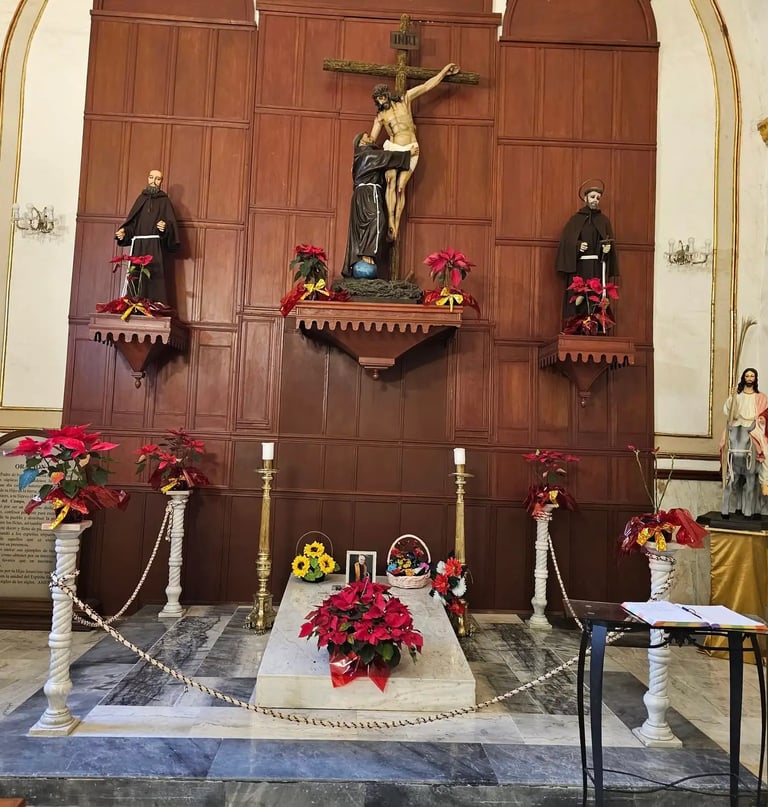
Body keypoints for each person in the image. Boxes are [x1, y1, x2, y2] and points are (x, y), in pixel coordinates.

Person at [368, 63, 460, 241]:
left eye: (382, 97)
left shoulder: (405, 100)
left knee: (401, 187)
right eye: (377, 99)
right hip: (393, 148)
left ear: (387, 94)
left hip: (411, 148)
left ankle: (396, 219)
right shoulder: (380, 117)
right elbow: (371, 139)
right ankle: (391, 226)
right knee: (390, 180)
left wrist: (443, 72)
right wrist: (361, 151)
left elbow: (427, 86)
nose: (381, 101)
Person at [341, 133, 416, 279]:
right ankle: (367, 256)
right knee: (377, 221)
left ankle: (365, 257)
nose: (371, 137)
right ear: (361, 142)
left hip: (362, 195)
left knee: (366, 225)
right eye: (367, 136)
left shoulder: (361, 156)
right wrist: (407, 154)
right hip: (369, 193)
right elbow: (385, 158)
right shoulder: (365, 154)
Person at [555, 180, 618, 320]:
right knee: (579, 297)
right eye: (592, 197)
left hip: (597, 267)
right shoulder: (575, 220)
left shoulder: (604, 221)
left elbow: (607, 244)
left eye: (597, 198)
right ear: (585, 198)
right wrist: (577, 245)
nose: (595, 200)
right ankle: (577, 326)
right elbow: (566, 242)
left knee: (595, 297)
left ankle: (595, 326)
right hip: (580, 268)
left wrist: (606, 249)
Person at [115, 169, 180, 303]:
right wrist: (124, 233)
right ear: (148, 178)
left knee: (154, 277)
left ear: (161, 181)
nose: (153, 181)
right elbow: (132, 225)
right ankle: (134, 305)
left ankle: (154, 306)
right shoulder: (141, 199)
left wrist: (164, 227)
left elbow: (171, 225)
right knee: (136, 277)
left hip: (154, 248)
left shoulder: (164, 201)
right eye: (151, 177)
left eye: (157, 179)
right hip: (138, 246)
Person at [723, 368, 768, 496]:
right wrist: (732, 398)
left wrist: (762, 418)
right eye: (747, 376)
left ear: (755, 378)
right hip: (738, 424)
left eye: (752, 376)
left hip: (754, 426)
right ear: (743, 378)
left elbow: (765, 411)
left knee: (765, 449)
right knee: (725, 443)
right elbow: (729, 412)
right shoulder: (737, 396)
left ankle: (764, 480)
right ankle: (727, 472)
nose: (749, 378)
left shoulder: (761, 397)